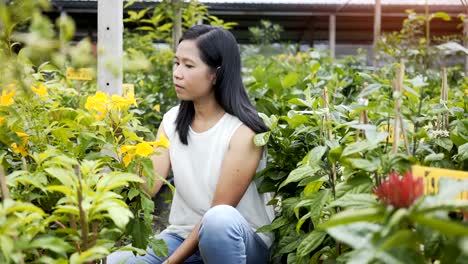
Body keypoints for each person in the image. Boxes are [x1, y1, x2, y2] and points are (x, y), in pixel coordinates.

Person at [107, 25, 275, 264]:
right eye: (176, 63)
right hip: (181, 237)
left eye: (188, 65)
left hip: (238, 242)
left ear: (215, 74)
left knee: (218, 220)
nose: (177, 73)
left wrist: (170, 263)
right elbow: (147, 187)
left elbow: (218, 213)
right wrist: (119, 142)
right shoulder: (171, 121)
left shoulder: (244, 130)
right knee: (116, 261)